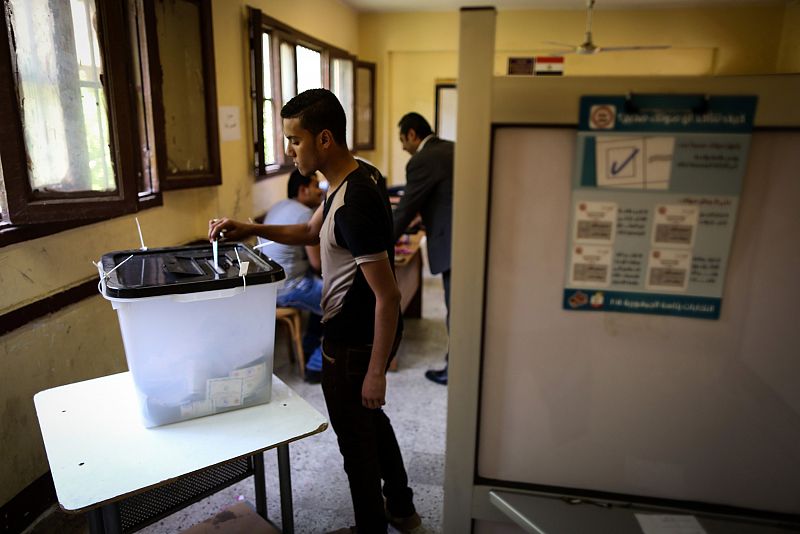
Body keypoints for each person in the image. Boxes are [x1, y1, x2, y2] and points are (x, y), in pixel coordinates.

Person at [209, 89, 420, 534]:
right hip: (362, 334)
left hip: (355, 340)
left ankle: (372, 527)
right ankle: (401, 506)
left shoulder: (352, 205)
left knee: (356, 447)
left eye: (295, 140)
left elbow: (388, 296)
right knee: (372, 424)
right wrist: (250, 227)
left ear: (324, 139)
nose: (289, 151)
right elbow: (309, 229)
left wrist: (376, 371)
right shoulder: (356, 175)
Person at [393, 112, 453, 386]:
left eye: (403, 140)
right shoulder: (450, 148)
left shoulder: (422, 160)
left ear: (413, 135)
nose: (403, 147)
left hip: (452, 241)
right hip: (469, 239)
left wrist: (380, 242)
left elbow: (405, 210)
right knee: (461, 307)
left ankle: (455, 369)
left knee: (456, 307)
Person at [261, 169, 325, 383]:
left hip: (268, 288)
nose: (321, 191)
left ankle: (308, 347)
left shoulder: (278, 206)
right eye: (316, 185)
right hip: (289, 288)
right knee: (340, 302)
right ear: (303, 189)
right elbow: (318, 265)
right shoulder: (306, 215)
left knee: (324, 294)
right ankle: (317, 366)